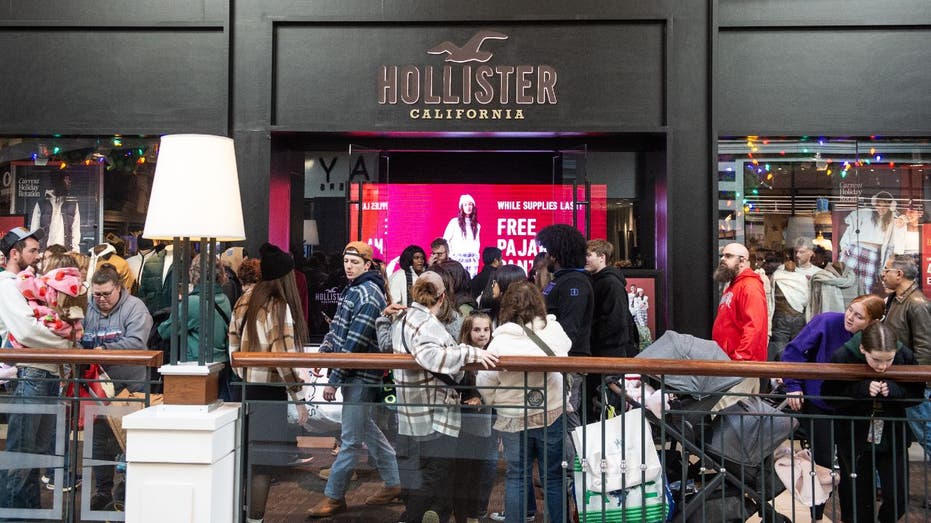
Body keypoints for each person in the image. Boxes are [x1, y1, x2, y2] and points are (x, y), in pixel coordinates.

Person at [391, 271, 498, 523]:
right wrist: (469, 354)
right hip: (432, 412)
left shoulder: (405, 318)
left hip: (413, 410)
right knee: (433, 476)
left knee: (422, 476)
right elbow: (430, 357)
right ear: (442, 298)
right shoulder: (425, 323)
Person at [308, 241, 402, 518]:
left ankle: (334, 496)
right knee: (365, 429)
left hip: (360, 375)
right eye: (346, 261)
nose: (348, 266)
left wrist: (333, 378)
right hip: (356, 374)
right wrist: (325, 353)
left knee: (350, 440)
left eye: (354, 262)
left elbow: (355, 343)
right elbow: (338, 328)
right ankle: (394, 482)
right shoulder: (356, 289)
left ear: (367, 264)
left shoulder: (368, 294)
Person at [781, 294, 885, 522]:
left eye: (859, 316)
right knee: (822, 462)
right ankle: (816, 515)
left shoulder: (875, 337)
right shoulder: (826, 321)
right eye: (850, 310)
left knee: (852, 467)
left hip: (853, 407)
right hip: (820, 403)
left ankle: (850, 517)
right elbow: (794, 351)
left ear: (872, 322)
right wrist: (793, 384)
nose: (851, 317)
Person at [477, 281, 572, 523]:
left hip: (513, 416)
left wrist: (494, 402)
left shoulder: (499, 340)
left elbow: (486, 380)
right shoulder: (552, 330)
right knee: (553, 476)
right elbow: (567, 349)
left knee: (516, 476)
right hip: (550, 410)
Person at [227, 243, 308, 523]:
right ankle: (255, 520)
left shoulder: (244, 299)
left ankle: (239, 515)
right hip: (270, 393)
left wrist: (246, 374)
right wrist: (299, 399)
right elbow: (283, 357)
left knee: (245, 458)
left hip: (245, 389)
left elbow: (233, 348)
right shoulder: (279, 306)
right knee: (262, 464)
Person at [0, 227, 76, 511]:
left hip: (41, 374)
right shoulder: (7, 285)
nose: (37, 255)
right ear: (14, 254)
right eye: (31, 250)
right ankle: (14, 517)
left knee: (32, 456)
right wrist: (66, 343)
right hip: (30, 373)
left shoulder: (26, 283)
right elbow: (27, 331)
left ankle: (26, 514)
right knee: (21, 456)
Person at [822, 322, 923, 523]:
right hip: (853, 437)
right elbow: (829, 396)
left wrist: (895, 391)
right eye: (876, 360)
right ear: (862, 349)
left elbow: (917, 394)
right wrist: (861, 389)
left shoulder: (905, 356)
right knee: (859, 499)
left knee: (898, 497)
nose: (882, 367)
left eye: (889, 360)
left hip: (892, 436)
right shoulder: (843, 356)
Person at [80, 263, 153, 510]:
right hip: (97, 388)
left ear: (119, 289)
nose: (100, 299)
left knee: (129, 441)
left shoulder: (135, 308)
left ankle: (126, 490)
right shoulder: (86, 308)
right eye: (96, 294)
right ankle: (102, 492)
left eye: (106, 294)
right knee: (98, 442)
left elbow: (136, 341)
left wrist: (104, 350)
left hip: (130, 387)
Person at [535, 224, 593, 429]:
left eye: (548, 252)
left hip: (566, 362)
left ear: (557, 254)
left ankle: (576, 459)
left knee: (566, 417)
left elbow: (570, 328)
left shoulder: (574, 282)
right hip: (556, 360)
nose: (545, 257)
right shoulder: (561, 281)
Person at [156, 253, 233, 397]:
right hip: (222, 363)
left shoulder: (192, 303)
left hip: (197, 366)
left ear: (193, 273)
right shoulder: (224, 299)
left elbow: (165, 331)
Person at [879, 254, 931, 460]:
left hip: (913, 384)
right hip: (901, 380)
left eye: (886, 270)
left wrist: (919, 384)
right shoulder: (897, 299)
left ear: (899, 274)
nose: (883, 275)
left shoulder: (917, 303)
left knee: (926, 434)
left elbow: (925, 347)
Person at [450, 311, 497, 523]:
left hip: (486, 423)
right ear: (468, 331)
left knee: (480, 472)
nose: (482, 334)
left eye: (486, 329)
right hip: (462, 421)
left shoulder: (496, 354)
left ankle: (474, 514)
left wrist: (482, 398)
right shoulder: (460, 355)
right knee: (462, 472)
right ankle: (461, 514)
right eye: (477, 330)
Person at [585, 239, 637, 420]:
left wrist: (592, 335)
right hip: (606, 352)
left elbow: (615, 321)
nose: (585, 259)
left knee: (607, 403)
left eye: (589, 255)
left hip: (608, 353)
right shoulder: (602, 281)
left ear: (602, 257)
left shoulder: (610, 284)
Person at [712, 242, 768, 408]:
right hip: (732, 363)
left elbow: (754, 326)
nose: (723, 259)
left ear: (742, 261)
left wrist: (740, 360)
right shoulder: (734, 286)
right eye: (722, 255)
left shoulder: (749, 286)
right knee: (741, 415)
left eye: (728, 256)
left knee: (725, 411)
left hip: (741, 365)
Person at [768, 237, 820, 360]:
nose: (797, 255)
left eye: (801, 252)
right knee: (781, 353)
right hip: (782, 317)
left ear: (811, 252)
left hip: (804, 317)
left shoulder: (818, 274)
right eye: (796, 252)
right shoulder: (782, 270)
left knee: (800, 351)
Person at [838, 191, 897, 294]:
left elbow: (890, 246)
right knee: (846, 280)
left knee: (866, 286)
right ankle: (845, 307)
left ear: (889, 207)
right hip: (855, 249)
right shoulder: (865, 213)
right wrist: (843, 246)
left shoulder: (891, 221)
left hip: (873, 254)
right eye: (879, 205)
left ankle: (861, 309)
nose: (881, 209)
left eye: (885, 206)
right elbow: (850, 228)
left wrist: (884, 265)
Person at [30, 173, 81, 252]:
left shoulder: (72, 203)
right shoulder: (42, 202)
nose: (69, 182)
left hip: (66, 252)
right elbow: (34, 229)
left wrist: (75, 251)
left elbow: (75, 229)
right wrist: (35, 251)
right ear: (59, 182)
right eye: (66, 179)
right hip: (45, 251)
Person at [443, 194, 481, 277]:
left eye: (470, 204)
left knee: (470, 284)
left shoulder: (476, 225)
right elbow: (445, 240)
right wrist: (451, 255)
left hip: (472, 261)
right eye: (465, 204)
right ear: (461, 207)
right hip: (458, 259)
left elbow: (477, 242)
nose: (468, 207)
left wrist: (476, 256)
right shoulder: (454, 222)